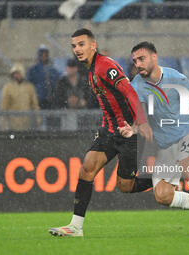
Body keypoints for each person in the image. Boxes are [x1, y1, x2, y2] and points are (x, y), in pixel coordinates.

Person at [48, 28, 153, 237]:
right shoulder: (90, 69)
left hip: (127, 132)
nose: (77, 49)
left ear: (93, 45)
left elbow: (129, 92)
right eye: (74, 46)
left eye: (81, 44)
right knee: (86, 170)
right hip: (109, 131)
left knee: (125, 186)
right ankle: (76, 227)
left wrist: (142, 123)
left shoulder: (105, 65)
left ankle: (163, 178)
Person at [119, 42, 189, 235]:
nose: (138, 64)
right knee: (163, 195)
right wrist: (132, 129)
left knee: (188, 171)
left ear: (154, 57)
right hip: (166, 145)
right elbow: (139, 118)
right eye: (135, 61)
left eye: (141, 59)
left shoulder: (176, 78)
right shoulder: (136, 85)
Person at [0, 63, 40, 131]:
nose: (17, 75)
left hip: (27, 123)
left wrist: (38, 119)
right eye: (15, 73)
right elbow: (4, 106)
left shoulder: (30, 87)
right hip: (12, 124)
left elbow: (35, 105)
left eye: (19, 73)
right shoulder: (7, 88)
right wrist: (3, 123)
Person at [27, 44, 60, 109]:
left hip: (52, 102)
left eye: (45, 55)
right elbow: (28, 85)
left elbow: (57, 83)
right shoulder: (33, 70)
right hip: (38, 101)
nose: (44, 56)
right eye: (42, 55)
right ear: (39, 56)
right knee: (40, 118)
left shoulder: (53, 70)